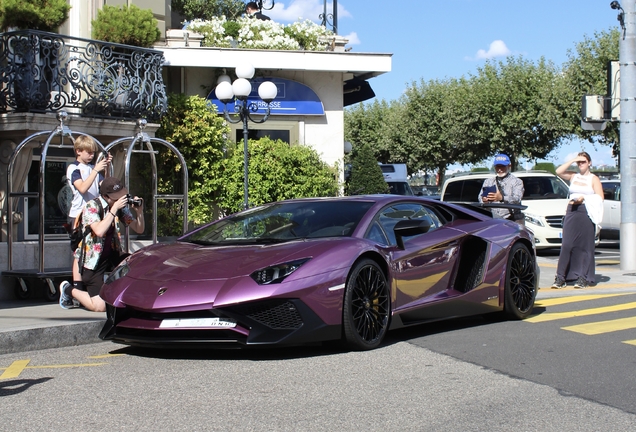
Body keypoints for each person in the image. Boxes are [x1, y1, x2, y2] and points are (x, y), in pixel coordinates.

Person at [59, 177, 145, 312]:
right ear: (105, 196)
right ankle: (68, 290)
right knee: (100, 307)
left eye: (121, 197)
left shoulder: (120, 208)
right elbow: (99, 231)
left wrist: (139, 213)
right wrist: (113, 210)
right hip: (93, 262)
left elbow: (139, 229)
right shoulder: (92, 206)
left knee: (139, 263)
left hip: (112, 254)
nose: (119, 200)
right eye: (115, 198)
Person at [551, 152, 603, 289]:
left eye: (583, 162)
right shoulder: (574, 176)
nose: (581, 164)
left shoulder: (593, 179)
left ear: (589, 163)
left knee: (585, 246)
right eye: (579, 162)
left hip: (585, 211)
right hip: (571, 211)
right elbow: (558, 171)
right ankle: (560, 277)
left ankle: (583, 277)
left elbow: (600, 198)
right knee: (567, 245)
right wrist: (573, 159)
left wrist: (584, 198)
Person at [65, 135, 111, 227]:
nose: (92, 155)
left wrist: (107, 168)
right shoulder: (73, 168)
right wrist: (96, 170)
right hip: (79, 213)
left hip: (94, 211)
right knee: (80, 241)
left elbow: (105, 186)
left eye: (93, 153)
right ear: (78, 151)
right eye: (89, 153)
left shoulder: (92, 168)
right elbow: (82, 188)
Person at [479, 153, 525, 224]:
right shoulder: (488, 181)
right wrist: (484, 200)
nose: (500, 169)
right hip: (493, 221)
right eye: (497, 166)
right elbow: (480, 197)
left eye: (502, 166)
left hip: (511, 221)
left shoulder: (517, 182)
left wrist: (502, 198)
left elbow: (517, 199)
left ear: (509, 166)